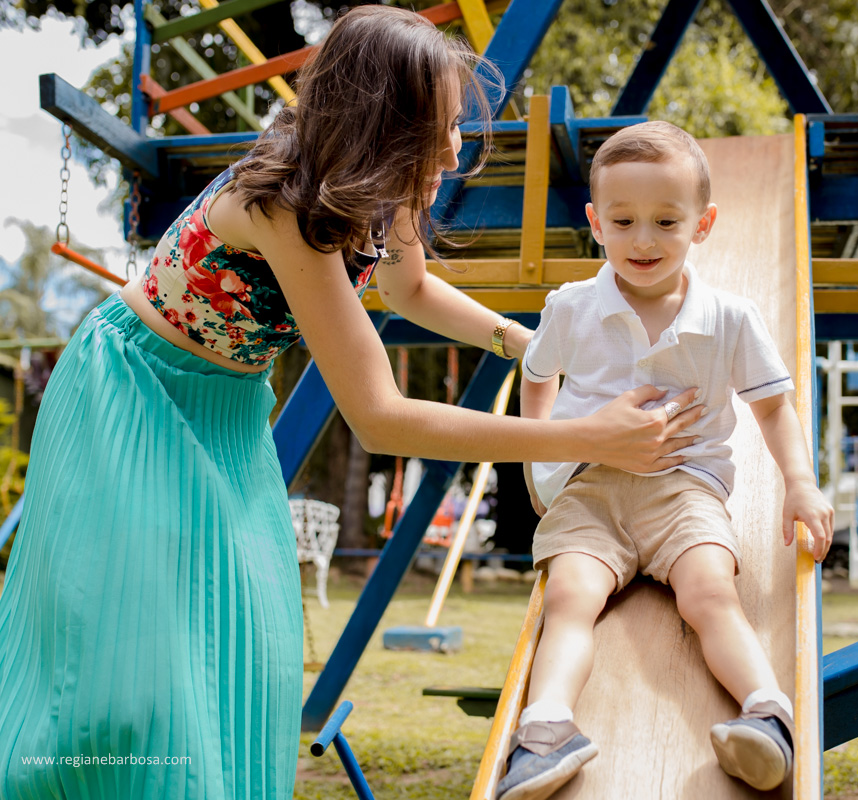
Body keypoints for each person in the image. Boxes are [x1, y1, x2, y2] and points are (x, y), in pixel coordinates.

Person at [0, 9, 703, 799]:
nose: (452, 148)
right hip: (134, 394)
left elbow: (410, 288)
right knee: (136, 661)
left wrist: (529, 342)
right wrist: (586, 437)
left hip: (226, 405)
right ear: (381, 123)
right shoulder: (286, 207)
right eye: (436, 127)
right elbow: (380, 414)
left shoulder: (384, 186)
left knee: (251, 639)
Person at [498, 121, 835, 800]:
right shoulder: (572, 307)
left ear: (702, 224)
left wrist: (800, 481)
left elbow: (772, 406)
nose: (643, 240)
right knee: (568, 598)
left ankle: (769, 715)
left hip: (684, 489)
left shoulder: (732, 317)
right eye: (623, 220)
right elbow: (536, 372)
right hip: (591, 490)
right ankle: (546, 731)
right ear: (595, 222)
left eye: (665, 221)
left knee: (710, 590)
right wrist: (539, 456)